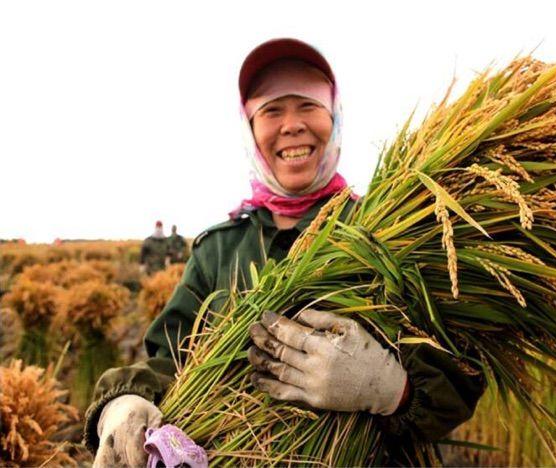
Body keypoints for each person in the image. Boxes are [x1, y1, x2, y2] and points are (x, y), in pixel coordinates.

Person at [84, 38, 484, 467]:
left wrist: (390, 390)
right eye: (272, 111)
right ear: (251, 130)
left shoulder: (387, 230)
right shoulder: (220, 249)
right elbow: (170, 358)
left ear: (335, 118)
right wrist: (124, 401)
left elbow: (459, 378)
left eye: (308, 106)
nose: (291, 125)